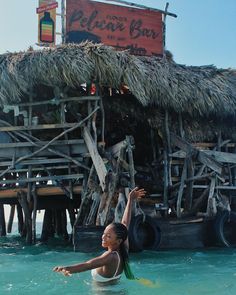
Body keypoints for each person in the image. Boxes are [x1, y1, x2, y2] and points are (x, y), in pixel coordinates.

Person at [53, 187, 146, 283]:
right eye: (104, 233)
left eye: (108, 236)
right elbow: (125, 223)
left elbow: (88, 265)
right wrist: (130, 200)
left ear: (118, 241)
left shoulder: (110, 256)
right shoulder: (123, 248)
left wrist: (66, 268)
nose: (103, 237)